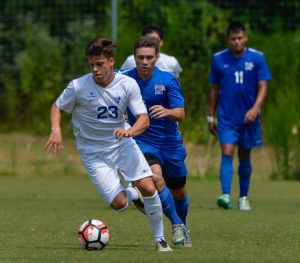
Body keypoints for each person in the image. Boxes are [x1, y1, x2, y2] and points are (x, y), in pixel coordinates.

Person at [44, 38, 172, 252]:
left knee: (149, 188)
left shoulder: (127, 84)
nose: (95, 69)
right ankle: (133, 193)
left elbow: (144, 118)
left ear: (111, 61)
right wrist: (55, 129)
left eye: (100, 64)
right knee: (119, 204)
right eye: (91, 65)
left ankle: (160, 240)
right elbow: (56, 106)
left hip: (123, 144)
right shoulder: (78, 86)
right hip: (93, 154)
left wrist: (129, 131)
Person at [120, 36, 192, 248]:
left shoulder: (168, 80)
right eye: (140, 57)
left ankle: (182, 228)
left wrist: (168, 111)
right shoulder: (124, 78)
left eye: (149, 57)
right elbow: (102, 79)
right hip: (143, 142)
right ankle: (176, 223)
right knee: (155, 178)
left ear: (157, 57)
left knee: (179, 190)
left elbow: (181, 114)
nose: (144, 62)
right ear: (134, 57)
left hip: (170, 144)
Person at [208, 21, 272, 210]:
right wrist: (211, 116)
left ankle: (243, 197)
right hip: (227, 117)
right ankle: (226, 195)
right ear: (228, 39)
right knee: (227, 152)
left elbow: (263, 86)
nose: (236, 42)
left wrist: (255, 109)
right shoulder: (219, 59)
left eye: (239, 38)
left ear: (245, 38)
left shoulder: (257, 58)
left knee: (245, 155)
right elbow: (214, 89)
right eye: (232, 39)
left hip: (249, 118)